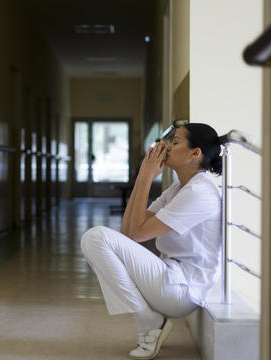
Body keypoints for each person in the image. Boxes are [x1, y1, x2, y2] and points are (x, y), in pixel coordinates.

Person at [80, 123, 223, 360]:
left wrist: (147, 174)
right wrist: (143, 175)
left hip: (184, 290)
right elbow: (128, 231)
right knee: (93, 240)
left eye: (175, 142)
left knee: (96, 237)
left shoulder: (200, 192)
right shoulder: (179, 187)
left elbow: (136, 234)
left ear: (195, 153)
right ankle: (148, 319)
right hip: (170, 276)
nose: (166, 147)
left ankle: (148, 320)